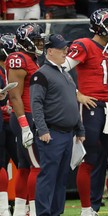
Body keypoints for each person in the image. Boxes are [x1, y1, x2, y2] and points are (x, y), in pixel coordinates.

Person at [63, 8, 108, 216]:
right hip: (91, 108)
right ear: (99, 27)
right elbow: (59, 69)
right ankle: (86, 209)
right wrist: (78, 94)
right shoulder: (84, 45)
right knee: (90, 159)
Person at [29, 33, 85, 216]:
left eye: (66, 49)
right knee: (48, 177)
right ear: (49, 51)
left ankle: (56, 212)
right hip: (52, 134)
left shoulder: (65, 74)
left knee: (61, 178)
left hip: (67, 134)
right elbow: (35, 104)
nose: (65, 52)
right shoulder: (41, 75)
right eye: (62, 49)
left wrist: (79, 128)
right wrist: (42, 130)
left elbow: (71, 102)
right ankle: (44, 213)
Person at [6, 23, 44, 216]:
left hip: (29, 116)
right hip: (26, 116)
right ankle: (36, 211)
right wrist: (24, 125)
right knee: (37, 166)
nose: (40, 43)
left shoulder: (30, 58)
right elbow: (14, 96)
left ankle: (21, 211)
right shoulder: (17, 59)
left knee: (24, 167)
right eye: (36, 39)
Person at [0, 32, 18, 216]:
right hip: (5, 121)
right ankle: (4, 208)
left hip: (14, 121)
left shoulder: (17, 69)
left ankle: (23, 206)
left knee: (25, 165)